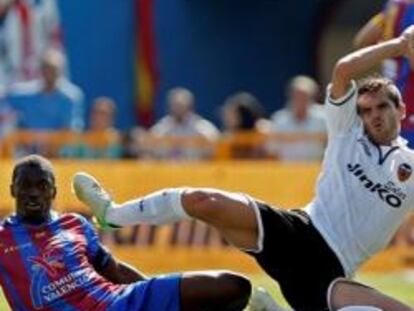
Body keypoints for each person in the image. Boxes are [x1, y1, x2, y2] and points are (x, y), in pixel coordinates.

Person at [72, 26, 414, 311]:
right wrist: (399, 45)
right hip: (295, 231)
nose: (374, 115)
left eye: (383, 107)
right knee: (203, 201)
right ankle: (112, 213)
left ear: (401, 111)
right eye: (366, 110)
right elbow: (342, 69)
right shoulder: (347, 131)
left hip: (332, 271)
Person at [0, 154, 251, 310]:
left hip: (121, 301)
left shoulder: (74, 223)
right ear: (13, 190)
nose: (33, 192)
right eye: (25, 186)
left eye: (42, 185)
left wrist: (158, 296)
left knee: (233, 286)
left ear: (53, 192)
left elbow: (115, 271)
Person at [354, 0, 414, 144]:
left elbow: (361, 42)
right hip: (408, 99)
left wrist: (389, 48)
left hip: (388, 97)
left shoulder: (393, 8)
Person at [7, 48, 84, 131]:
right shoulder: (22, 93)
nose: (49, 73)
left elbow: (73, 128)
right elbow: (5, 104)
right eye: (46, 68)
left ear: (61, 70)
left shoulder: (72, 97)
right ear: (41, 70)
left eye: (53, 69)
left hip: (60, 143)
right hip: (28, 143)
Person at [149, 87, 219, 160]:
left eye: (181, 106)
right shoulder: (162, 128)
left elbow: (217, 145)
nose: (178, 109)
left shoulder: (203, 128)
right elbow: (150, 148)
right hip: (169, 169)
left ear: (190, 107)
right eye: (175, 106)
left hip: (197, 169)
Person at [268, 75, 326, 161]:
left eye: (305, 96)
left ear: (313, 97)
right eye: (297, 96)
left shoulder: (323, 118)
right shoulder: (279, 119)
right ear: (291, 96)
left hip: (316, 169)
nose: (301, 100)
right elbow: (272, 149)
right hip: (286, 171)